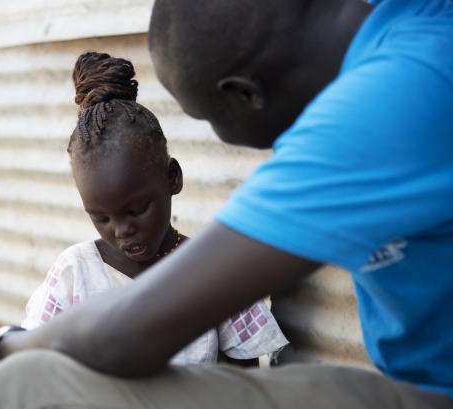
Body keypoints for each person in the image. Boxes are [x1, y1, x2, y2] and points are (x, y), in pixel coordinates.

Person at [0, 0, 453, 409]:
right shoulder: (421, 26)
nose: (123, 228)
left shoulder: (388, 102)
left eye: (205, 118)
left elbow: (126, 337)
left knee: (26, 394)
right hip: (415, 393)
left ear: (244, 95)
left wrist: (13, 342)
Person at [17, 53, 287, 367]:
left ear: (172, 177)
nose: (121, 230)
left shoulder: (215, 271)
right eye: (100, 217)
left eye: (137, 209)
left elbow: (244, 381)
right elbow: (33, 364)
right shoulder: (75, 272)